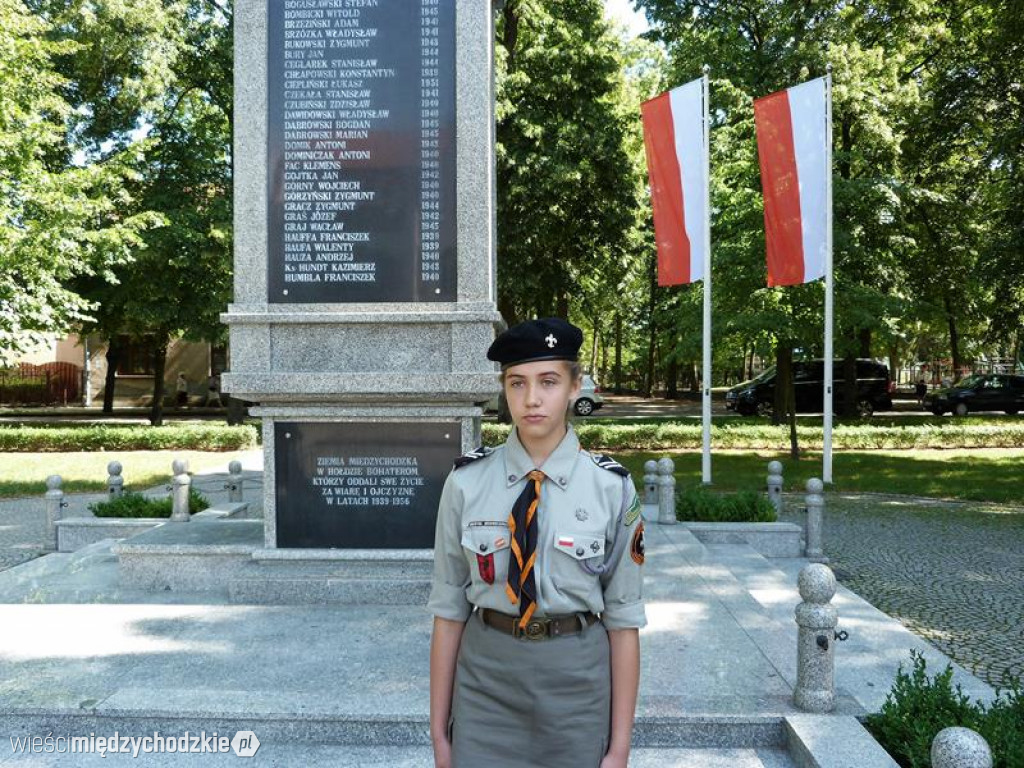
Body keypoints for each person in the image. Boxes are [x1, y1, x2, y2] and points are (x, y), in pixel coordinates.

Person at [428, 318, 646, 768]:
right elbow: (448, 610)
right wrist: (438, 732)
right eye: (516, 383)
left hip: (577, 685)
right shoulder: (466, 483)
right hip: (486, 684)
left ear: (574, 385)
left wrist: (620, 745)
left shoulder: (612, 488)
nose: (531, 399)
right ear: (503, 389)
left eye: (548, 381)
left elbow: (624, 620)